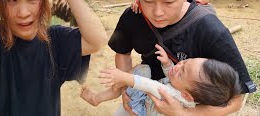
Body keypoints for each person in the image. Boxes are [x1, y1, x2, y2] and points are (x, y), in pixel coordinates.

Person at [109, 0, 256, 115]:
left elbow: (236, 100)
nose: (157, 13)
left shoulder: (211, 30)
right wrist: (125, 91)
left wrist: (183, 113)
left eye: (169, 2)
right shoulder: (133, 16)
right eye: (148, 0)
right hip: (143, 98)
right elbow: (123, 52)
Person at [81, 44, 241, 116]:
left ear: (186, 96)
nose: (178, 66)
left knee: (142, 70)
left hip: (141, 108)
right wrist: (167, 64)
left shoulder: (172, 94)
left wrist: (123, 76)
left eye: (182, 72)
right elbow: (171, 76)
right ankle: (99, 98)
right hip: (149, 104)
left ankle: (99, 98)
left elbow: (149, 85)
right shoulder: (187, 90)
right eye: (185, 61)